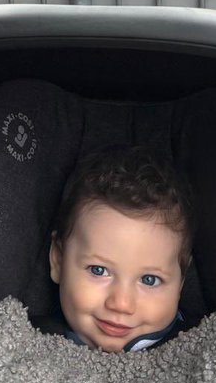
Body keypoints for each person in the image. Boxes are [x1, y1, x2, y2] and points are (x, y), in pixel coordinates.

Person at [43, 145, 195, 353]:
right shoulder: (28, 342)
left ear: (180, 282)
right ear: (58, 260)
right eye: (98, 270)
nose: (121, 304)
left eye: (149, 280)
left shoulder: (198, 348)